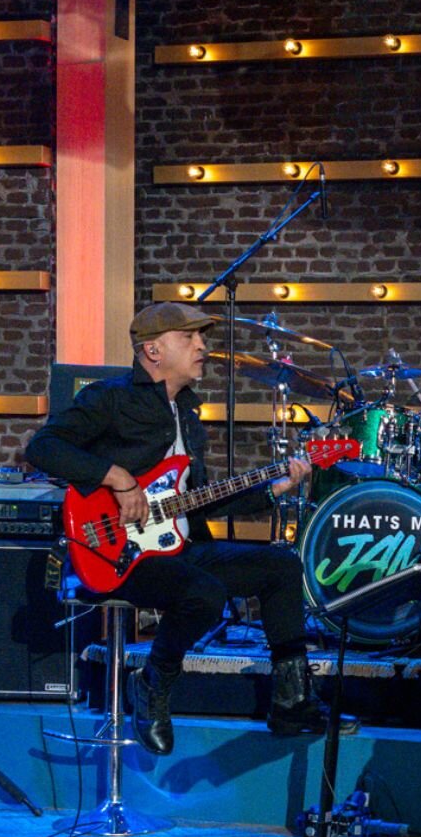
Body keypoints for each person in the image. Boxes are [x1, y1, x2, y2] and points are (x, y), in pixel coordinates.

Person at [26, 303, 342, 755]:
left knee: (281, 566)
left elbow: (200, 498)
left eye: (202, 338)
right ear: (153, 350)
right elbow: (43, 447)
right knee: (204, 593)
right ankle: (153, 683)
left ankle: (292, 702)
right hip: (117, 553)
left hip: (176, 544)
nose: (202, 347)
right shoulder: (109, 398)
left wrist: (275, 488)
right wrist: (117, 478)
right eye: (189, 338)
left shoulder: (188, 413)